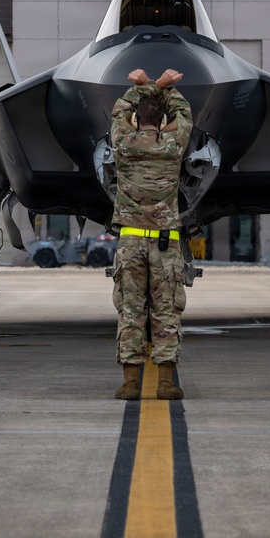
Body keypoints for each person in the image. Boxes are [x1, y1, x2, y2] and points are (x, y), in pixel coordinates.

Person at [110, 68, 192, 400]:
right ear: (162, 122)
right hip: (165, 243)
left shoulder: (123, 144)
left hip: (130, 242)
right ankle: (166, 384)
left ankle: (131, 384)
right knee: (166, 311)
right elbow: (184, 113)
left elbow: (118, 111)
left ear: (135, 120)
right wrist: (164, 87)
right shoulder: (173, 146)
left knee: (131, 310)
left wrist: (143, 86)